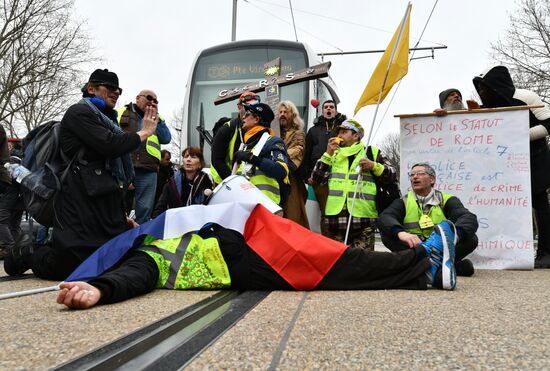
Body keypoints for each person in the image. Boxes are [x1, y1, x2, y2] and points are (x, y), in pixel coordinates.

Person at [56, 205, 458, 310]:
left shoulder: (163, 229)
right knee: (339, 267)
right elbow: (135, 278)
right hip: (250, 264)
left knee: (338, 258)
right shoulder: (143, 256)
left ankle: (424, 268)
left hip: (252, 245)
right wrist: (100, 288)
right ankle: (424, 266)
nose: (132, 227)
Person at [4, 68, 158, 279]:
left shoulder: (109, 121)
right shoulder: (79, 113)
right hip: (77, 199)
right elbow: (110, 145)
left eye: (118, 89)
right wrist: (145, 132)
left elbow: (110, 168)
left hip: (103, 199)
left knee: (112, 261)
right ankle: (28, 252)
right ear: (91, 88)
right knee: (71, 265)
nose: (115, 92)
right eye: (109, 87)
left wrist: (121, 216)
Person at [471, 66, 550, 268]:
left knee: (539, 204)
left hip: (535, 159)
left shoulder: (526, 97)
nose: (481, 93)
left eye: (484, 88)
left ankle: (546, 252)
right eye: (479, 89)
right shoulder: (487, 109)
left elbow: (549, 126)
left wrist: (520, 137)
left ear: (495, 85)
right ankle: (507, 251)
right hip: (504, 165)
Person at [378, 162, 479, 277]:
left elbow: (468, 218)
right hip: (414, 247)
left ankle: (419, 266)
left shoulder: (447, 199)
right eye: (412, 175)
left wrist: (452, 237)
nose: (414, 177)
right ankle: (442, 267)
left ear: (432, 179)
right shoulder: (403, 201)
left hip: (441, 248)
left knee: (471, 239)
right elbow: (385, 217)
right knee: (388, 235)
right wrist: (401, 233)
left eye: (420, 173)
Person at [310, 119, 396, 250]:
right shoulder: (332, 154)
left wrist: (374, 166)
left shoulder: (371, 152)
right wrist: (327, 154)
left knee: (363, 265)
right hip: (335, 221)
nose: (339, 136)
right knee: (338, 266)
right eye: (338, 133)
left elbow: (392, 175)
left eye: (344, 132)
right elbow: (315, 179)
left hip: (363, 221)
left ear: (356, 136)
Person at [117, 90, 172, 225]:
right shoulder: (120, 112)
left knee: (145, 208)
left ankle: (139, 237)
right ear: (138, 98)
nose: (152, 102)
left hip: (148, 170)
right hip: (123, 166)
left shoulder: (159, 118)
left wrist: (157, 119)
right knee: (117, 203)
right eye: (149, 98)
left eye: (155, 101)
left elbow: (166, 138)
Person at [232, 103, 290, 207]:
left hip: (267, 208)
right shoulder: (246, 146)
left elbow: (281, 170)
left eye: (247, 114)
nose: (243, 117)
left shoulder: (272, 141)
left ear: (256, 119)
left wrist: (251, 158)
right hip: (247, 207)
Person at [303, 100, 347, 235]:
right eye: (326, 107)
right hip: (318, 177)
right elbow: (307, 153)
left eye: (331, 107)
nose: (329, 109)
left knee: (338, 211)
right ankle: (326, 242)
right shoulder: (313, 130)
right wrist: (306, 176)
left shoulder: (343, 130)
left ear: (336, 110)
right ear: (322, 111)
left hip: (339, 176)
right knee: (324, 212)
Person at [210, 92, 260, 185]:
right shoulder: (227, 129)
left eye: (254, 108)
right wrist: (234, 183)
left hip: (250, 183)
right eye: (247, 108)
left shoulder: (260, 130)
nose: (251, 112)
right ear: (239, 107)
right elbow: (217, 160)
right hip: (224, 182)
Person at [152, 146, 213, 217]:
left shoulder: (206, 182)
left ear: (200, 164)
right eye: (186, 156)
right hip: (175, 223)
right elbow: (159, 208)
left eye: (193, 157)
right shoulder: (171, 182)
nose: (188, 159)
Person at [277, 100, 309, 228]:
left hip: (291, 180)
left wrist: (275, 156)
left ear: (293, 115)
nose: (282, 114)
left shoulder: (298, 134)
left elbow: (297, 152)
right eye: (280, 112)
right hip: (272, 180)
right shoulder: (272, 132)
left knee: (292, 218)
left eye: (286, 112)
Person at [0, 125, 24, 259]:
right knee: (14, 223)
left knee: (2, 220)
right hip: (20, 195)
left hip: (10, 191)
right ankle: (18, 249)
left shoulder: (11, 160)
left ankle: (9, 248)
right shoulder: (21, 158)